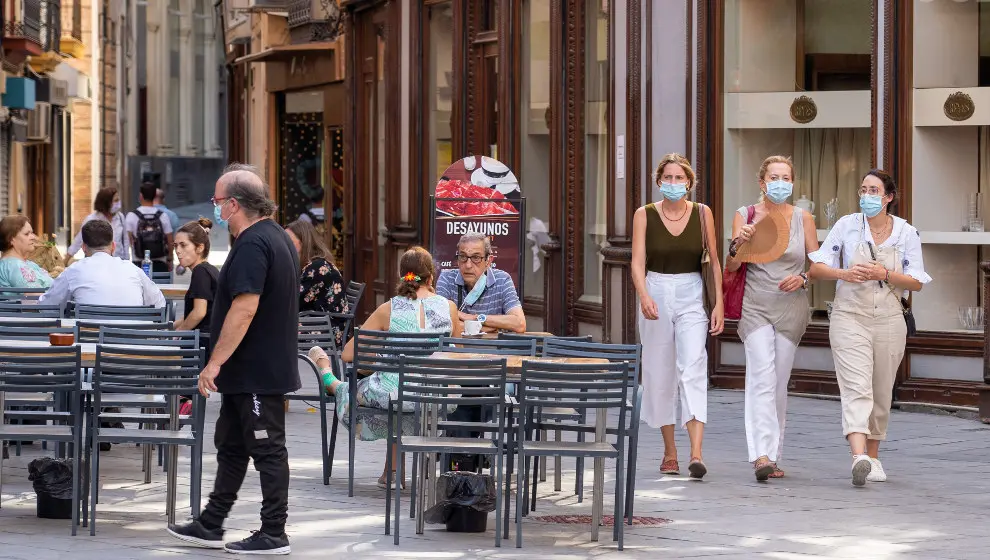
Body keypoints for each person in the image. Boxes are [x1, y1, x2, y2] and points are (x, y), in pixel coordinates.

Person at [167, 164, 299, 555]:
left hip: (256, 370)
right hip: (248, 371)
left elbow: (244, 308)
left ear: (235, 204)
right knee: (231, 444)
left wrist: (214, 363)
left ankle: (274, 532)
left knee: (267, 448)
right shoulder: (273, 236)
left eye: (219, 202)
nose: (216, 209)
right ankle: (211, 523)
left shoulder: (254, 243)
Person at [809, 170, 930, 487]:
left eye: (874, 190)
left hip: (890, 317)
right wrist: (844, 274)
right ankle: (858, 455)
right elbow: (816, 268)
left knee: (880, 391)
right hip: (849, 315)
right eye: (863, 189)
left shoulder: (906, 233)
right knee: (856, 387)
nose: (867, 195)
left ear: (888, 197)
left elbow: (917, 281)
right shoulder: (846, 225)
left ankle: (873, 457)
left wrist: (884, 273)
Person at [307, 246, 460, 488]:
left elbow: (348, 353)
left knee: (363, 388)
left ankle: (328, 378)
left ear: (402, 276)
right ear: (431, 277)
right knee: (402, 391)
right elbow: (455, 352)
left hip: (395, 394)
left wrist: (383, 356)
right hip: (437, 394)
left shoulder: (389, 309)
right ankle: (391, 472)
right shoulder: (449, 308)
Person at [723, 155, 820, 482]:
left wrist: (804, 279)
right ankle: (760, 454)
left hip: (791, 306)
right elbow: (732, 266)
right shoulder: (745, 215)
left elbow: (817, 264)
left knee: (778, 382)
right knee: (761, 375)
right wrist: (740, 242)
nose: (781, 183)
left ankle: (774, 454)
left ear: (792, 183)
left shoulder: (803, 218)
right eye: (774, 177)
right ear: (762, 183)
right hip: (756, 304)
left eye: (786, 178)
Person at [631, 153, 723, 479]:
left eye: (679, 178)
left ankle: (696, 452)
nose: (673, 184)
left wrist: (719, 304)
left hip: (691, 290)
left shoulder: (702, 213)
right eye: (667, 178)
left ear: (689, 182)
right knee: (659, 371)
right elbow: (637, 261)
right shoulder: (644, 214)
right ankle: (670, 450)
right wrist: (644, 295)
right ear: (659, 181)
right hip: (656, 286)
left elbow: (713, 259)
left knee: (694, 364)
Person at [39, 220, 166, 309]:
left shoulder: (73, 271)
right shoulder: (133, 270)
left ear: (83, 248)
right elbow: (159, 304)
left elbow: (47, 305)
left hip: (89, 342)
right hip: (131, 343)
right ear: (113, 247)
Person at [435, 232, 526, 333]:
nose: (468, 265)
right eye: (463, 257)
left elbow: (519, 324)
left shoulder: (502, 280)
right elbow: (440, 323)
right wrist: (486, 327)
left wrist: (475, 318)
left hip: (491, 348)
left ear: (488, 260)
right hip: (457, 348)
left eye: (476, 258)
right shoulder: (447, 278)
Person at [286, 219, 348, 347]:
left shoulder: (317, 268)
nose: (284, 245)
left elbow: (293, 301)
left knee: (274, 327)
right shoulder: (313, 264)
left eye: (288, 241)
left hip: (327, 330)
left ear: (304, 242)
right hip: (319, 322)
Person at [173, 218, 219, 332]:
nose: (177, 250)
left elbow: (199, 313)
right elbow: (190, 315)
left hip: (202, 343)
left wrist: (177, 334)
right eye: (175, 245)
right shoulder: (209, 269)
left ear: (200, 248)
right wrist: (167, 328)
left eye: (183, 245)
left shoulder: (200, 272)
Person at [65, 187, 129, 263]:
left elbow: (125, 240)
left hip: (117, 262)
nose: (118, 203)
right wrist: (65, 260)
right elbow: (78, 241)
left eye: (118, 200)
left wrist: (127, 261)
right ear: (106, 202)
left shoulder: (120, 217)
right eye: (115, 200)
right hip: (95, 264)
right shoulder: (91, 219)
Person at [126, 182, 174, 273]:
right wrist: (170, 258)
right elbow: (170, 240)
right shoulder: (163, 216)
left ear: (140, 196)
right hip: (160, 261)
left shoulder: (132, 216)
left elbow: (128, 240)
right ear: (155, 195)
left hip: (138, 262)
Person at [0, 215, 54, 290]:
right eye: (27, 234)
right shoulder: (14, 266)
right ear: (11, 239)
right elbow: (33, 298)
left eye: (32, 233)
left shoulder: (26, 263)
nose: (33, 237)